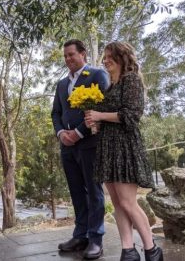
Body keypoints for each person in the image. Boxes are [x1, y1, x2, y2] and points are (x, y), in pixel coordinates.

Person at [84, 41, 163, 261]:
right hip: (108, 147)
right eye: (105, 57)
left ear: (122, 57)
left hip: (125, 147)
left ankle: (151, 248)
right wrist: (94, 123)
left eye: (110, 56)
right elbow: (106, 118)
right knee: (118, 203)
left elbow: (132, 115)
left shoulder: (132, 80)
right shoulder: (110, 86)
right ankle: (128, 250)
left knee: (128, 202)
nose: (106, 60)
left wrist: (100, 116)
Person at [51, 39, 110, 260]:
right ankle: (81, 235)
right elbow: (56, 113)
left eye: (71, 55)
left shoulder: (96, 75)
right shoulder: (61, 84)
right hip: (67, 146)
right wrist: (61, 134)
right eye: (65, 56)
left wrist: (78, 132)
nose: (67, 59)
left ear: (83, 54)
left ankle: (96, 239)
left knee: (94, 192)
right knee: (77, 191)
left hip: (89, 143)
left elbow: (103, 108)